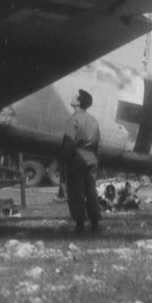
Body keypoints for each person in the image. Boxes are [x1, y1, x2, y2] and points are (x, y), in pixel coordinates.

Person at [60, 89, 100, 233]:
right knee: (91, 191)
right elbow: (98, 144)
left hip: (77, 159)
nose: (71, 96)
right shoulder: (93, 120)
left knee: (77, 192)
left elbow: (68, 142)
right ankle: (95, 224)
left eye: (74, 96)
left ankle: (80, 225)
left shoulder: (73, 119)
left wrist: (63, 158)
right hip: (91, 159)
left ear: (78, 102)